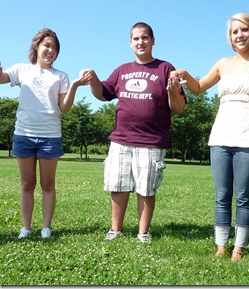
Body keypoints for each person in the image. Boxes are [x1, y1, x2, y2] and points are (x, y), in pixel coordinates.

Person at [172, 13, 249, 261]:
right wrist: (185, 75)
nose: (239, 35)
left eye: (244, 30)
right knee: (222, 196)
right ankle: (221, 246)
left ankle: (239, 249)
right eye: (235, 32)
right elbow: (199, 87)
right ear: (230, 38)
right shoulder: (223, 63)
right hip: (221, 137)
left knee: (243, 196)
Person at [79, 22, 186, 243]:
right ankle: (115, 230)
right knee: (118, 185)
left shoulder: (165, 68)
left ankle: (143, 232)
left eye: (145, 37)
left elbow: (178, 107)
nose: (140, 42)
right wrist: (93, 79)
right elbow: (103, 94)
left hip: (151, 140)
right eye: (136, 38)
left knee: (146, 188)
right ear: (130, 43)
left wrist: (173, 91)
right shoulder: (122, 70)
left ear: (153, 40)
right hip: (121, 138)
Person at [0, 28, 90, 239]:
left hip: (50, 136)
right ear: (37, 46)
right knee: (27, 184)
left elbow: (64, 108)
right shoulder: (22, 70)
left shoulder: (61, 76)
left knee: (48, 184)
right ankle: (26, 228)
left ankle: (46, 227)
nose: (50, 50)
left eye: (54, 48)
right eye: (47, 45)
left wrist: (74, 85)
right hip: (24, 134)